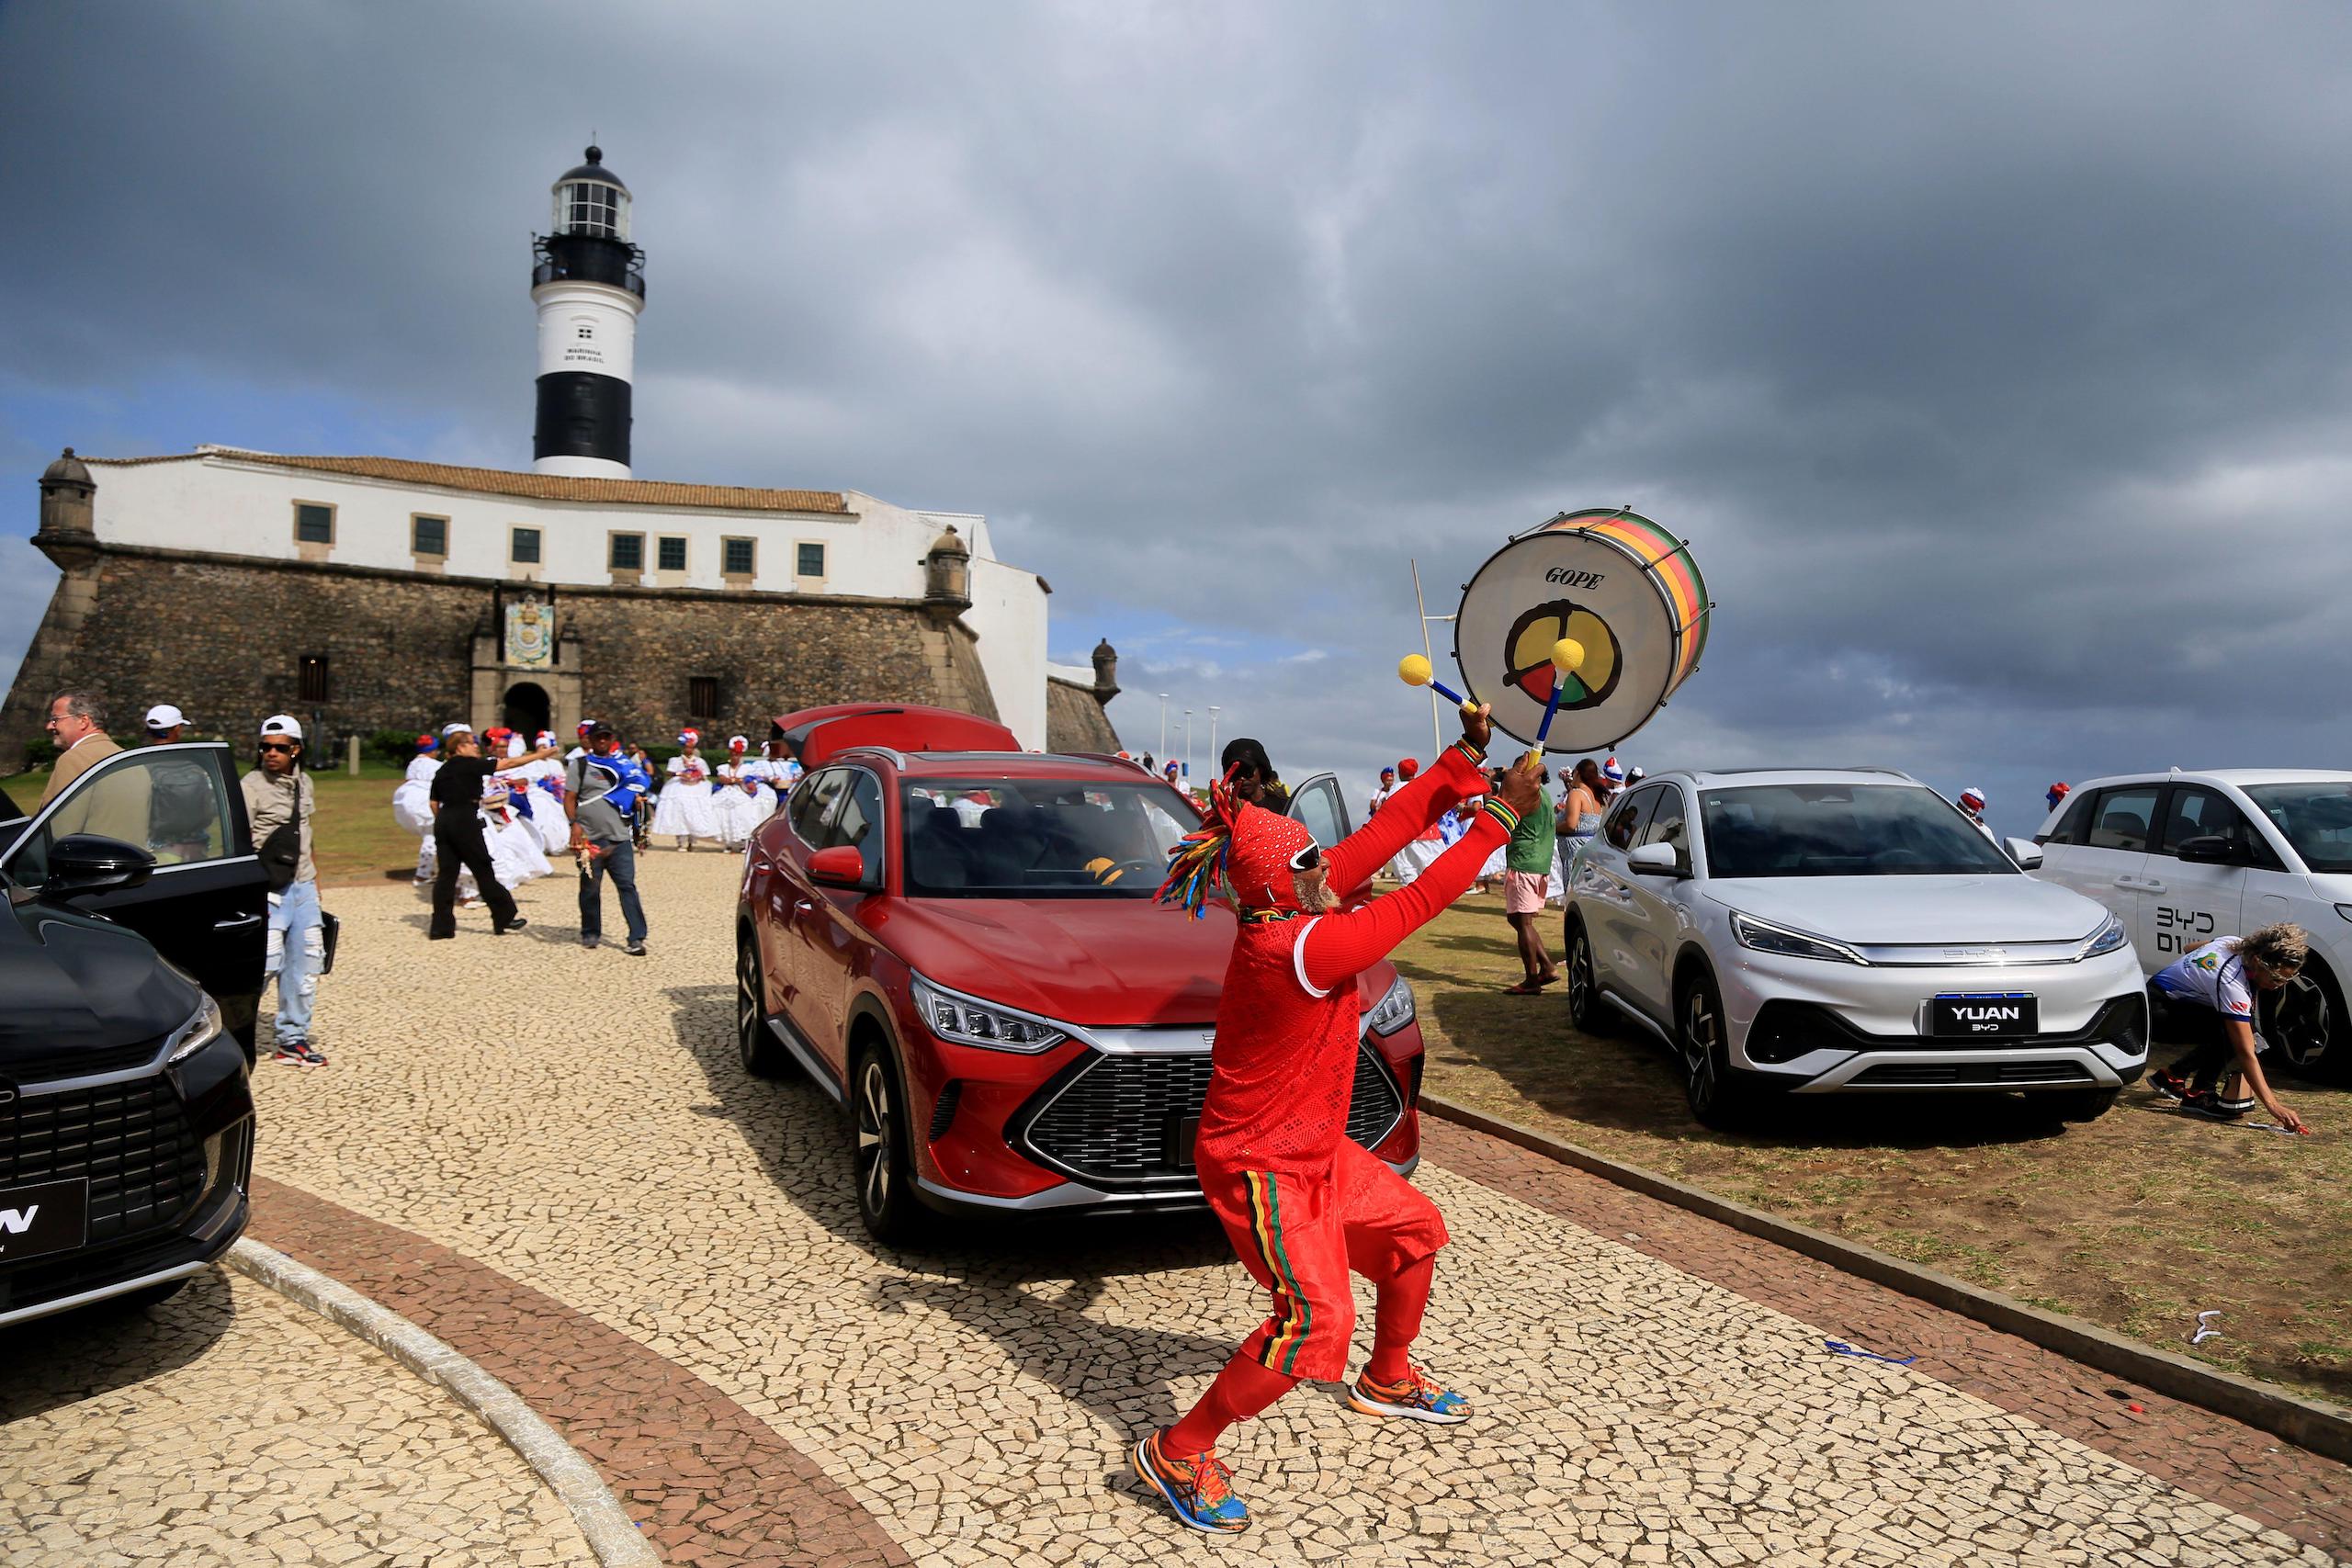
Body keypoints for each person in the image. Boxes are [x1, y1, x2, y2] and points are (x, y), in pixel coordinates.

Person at [1132, 703, 1536, 1533]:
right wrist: (1498, 818)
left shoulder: (1294, 897)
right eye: (1316, 855)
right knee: (1314, 1320)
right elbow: (1420, 896)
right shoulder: (1297, 949)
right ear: (1287, 880)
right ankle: (1180, 1445)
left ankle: (1388, 1377)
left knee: (1415, 1230)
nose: (1332, 861)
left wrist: (1463, 760)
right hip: (1260, 1165)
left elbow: (1385, 834)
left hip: (1314, 1148)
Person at [2148, 924, 2312, 1131]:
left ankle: (2173, 1076)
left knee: (2234, 1023)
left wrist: (2198, 974)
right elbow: (2246, 1052)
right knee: (2238, 1033)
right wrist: (2274, 1106)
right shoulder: (2232, 982)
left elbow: (2189, 948)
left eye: (2288, 979)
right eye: (2276, 978)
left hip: (2162, 997)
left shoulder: (2233, 943)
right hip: (2158, 1013)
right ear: (2256, 962)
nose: (2279, 985)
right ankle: (2200, 1093)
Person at [242, 715, 326, 1066]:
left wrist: (316, 885)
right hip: (267, 888)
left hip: (303, 885)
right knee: (264, 965)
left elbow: (305, 833)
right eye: (265, 747)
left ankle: (293, 1039)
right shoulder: (251, 785)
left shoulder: (304, 783)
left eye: (279, 748)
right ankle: (234, 1035)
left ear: (296, 750)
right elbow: (239, 843)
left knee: (307, 964)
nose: (271, 754)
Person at [427, 729, 549, 939]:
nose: (476, 746)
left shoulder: (443, 770)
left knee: (447, 875)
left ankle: (441, 927)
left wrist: (445, 820)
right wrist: (539, 756)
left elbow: (433, 803)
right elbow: (507, 764)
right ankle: (504, 915)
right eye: (471, 743)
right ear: (460, 747)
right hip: (465, 817)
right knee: (483, 868)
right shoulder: (471, 765)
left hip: (444, 819)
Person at [568, 724, 652, 955]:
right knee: (589, 888)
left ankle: (636, 937)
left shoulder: (625, 765)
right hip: (589, 837)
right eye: (598, 737)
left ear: (612, 738)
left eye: (606, 737)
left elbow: (637, 793)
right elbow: (570, 797)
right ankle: (590, 931)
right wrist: (573, 823)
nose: (602, 741)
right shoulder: (581, 765)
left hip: (619, 837)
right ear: (591, 740)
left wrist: (637, 806)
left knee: (627, 887)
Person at [1501, 758, 1559, 993]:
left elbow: (1499, 812)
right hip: (1539, 862)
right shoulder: (1544, 795)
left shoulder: (1526, 797)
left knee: (1523, 922)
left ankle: (1532, 979)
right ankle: (1546, 967)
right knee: (1517, 919)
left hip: (1524, 861)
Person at [40, 691, 123, 806]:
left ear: (83, 721)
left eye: (55, 719)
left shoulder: (73, 759)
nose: (49, 726)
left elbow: (62, 819)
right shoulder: (130, 760)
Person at [653, 729, 719, 850]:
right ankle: (681, 840)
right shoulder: (676, 760)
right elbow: (669, 772)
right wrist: (681, 774)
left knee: (695, 813)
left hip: (696, 789)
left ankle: (692, 840)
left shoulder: (699, 761)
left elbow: (705, 775)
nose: (689, 750)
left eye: (691, 747)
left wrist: (697, 775)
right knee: (680, 813)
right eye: (687, 747)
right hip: (679, 788)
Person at [1220, 738, 1289, 813]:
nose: (1242, 778)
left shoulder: (1285, 807)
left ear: (1261, 769)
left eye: (1247, 771)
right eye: (1236, 772)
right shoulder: (1225, 810)